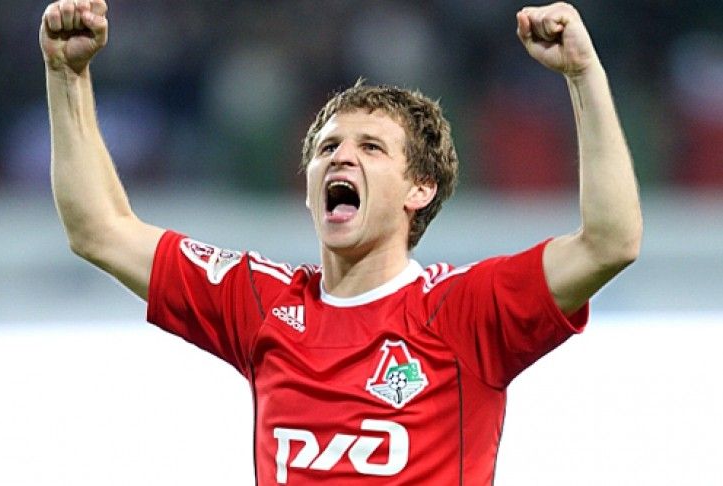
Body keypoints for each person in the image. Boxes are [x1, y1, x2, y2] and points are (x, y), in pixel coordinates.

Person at [40, 1, 642, 484]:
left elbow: (609, 243)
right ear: (308, 189)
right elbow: (100, 229)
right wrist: (66, 76)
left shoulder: (465, 311)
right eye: (328, 147)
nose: (341, 157)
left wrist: (584, 75)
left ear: (420, 189)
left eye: (370, 148)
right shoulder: (260, 301)